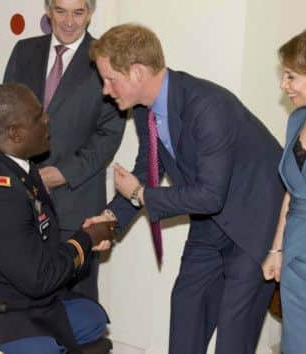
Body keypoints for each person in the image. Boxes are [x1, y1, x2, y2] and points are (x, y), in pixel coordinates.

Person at [86, 24, 285, 354]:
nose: (106, 90)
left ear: (136, 72)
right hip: (210, 225)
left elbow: (208, 194)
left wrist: (139, 195)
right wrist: (110, 220)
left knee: (233, 342)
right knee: (185, 318)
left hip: (255, 227)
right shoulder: (142, 110)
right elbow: (147, 170)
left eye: (110, 79)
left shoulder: (207, 106)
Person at [0, 83, 113, 354]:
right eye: (39, 116)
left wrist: (85, 238)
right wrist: (85, 240)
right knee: (51, 348)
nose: (47, 119)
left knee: (94, 317)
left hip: (18, 295)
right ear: (15, 133)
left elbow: (40, 246)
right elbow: (39, 278)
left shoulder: (14, 166)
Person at [3, 0, 125, 300]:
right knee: (24, 301)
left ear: (90, 13)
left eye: (78, 12)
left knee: (76, 306)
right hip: (23, 202)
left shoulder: (106, 60)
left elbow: (109, 134)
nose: (69, 21)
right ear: (48, 11)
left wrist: (62, 173)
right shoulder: (24, 51)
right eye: (60, 11)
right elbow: (5, 118)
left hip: (77, 204)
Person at [262, 25, 306, 354]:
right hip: (297, 260)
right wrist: (276, 250)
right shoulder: (297, 120)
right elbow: (291, 192)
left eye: (291, 77)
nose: (284, 86)